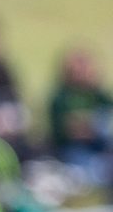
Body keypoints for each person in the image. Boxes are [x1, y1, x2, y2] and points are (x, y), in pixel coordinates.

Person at [47, 46, 113, 188]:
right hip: (73, 151)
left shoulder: (98, 95)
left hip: (101, 147)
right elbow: (69, 131)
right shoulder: (61, 98)